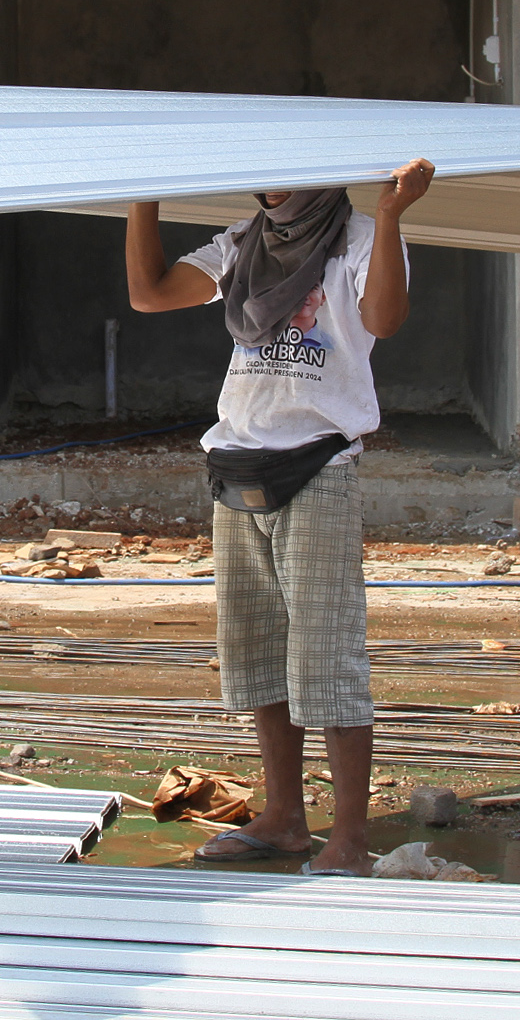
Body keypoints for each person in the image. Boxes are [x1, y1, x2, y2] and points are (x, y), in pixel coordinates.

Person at [124, 158, 433, 877]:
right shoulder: (243, 243)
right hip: (238, 466)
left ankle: (349, 836)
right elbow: (149, 293)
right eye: (265, 174)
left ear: (326, 175)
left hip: (317, 467)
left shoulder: (357, 237)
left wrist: (391, 217)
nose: (274, 189)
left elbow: (384, 317)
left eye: (291, 173)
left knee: (327, 659)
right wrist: (143, 191)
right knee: (261, 656)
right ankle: (285, 816)